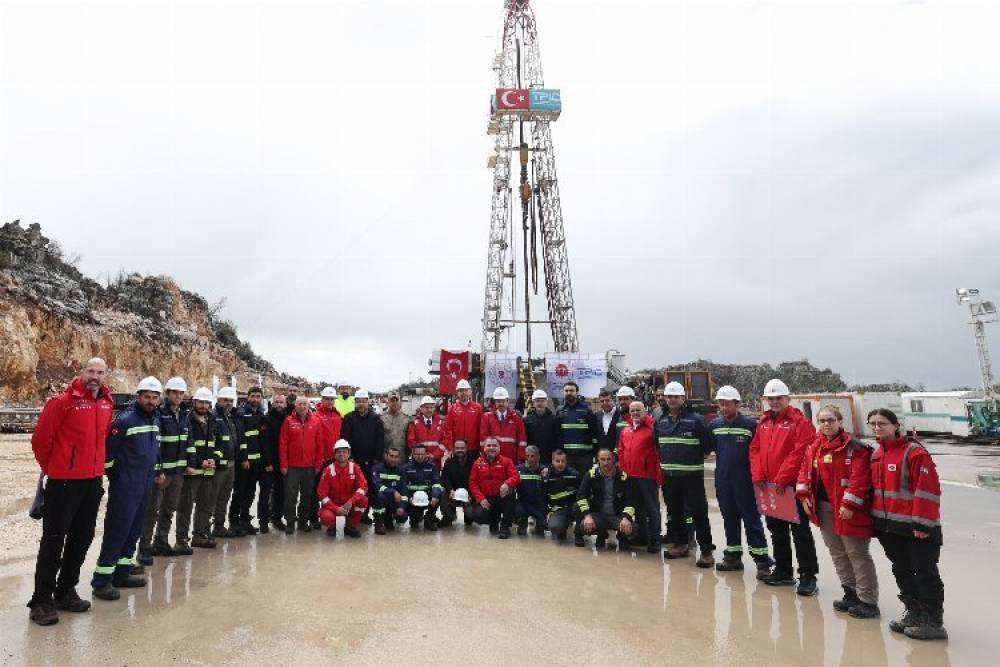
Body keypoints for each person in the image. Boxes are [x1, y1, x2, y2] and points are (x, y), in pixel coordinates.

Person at [27, 358, 115, 625]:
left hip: (92, 482)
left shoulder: (106, 403)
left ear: (105, 376)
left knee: (82, 538)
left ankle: (65, 591)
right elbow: (41, 441)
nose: (95, 376)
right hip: (63, 483)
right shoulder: (62, 402)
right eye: (91, 371)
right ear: (81, 372)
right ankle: (41, 602)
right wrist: (56, 468)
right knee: (53, 542)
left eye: (100, 373)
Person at [868, 408, 947, 640]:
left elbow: (928, 490)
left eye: (882, 423)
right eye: (872, 423)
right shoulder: (876, 455)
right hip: (889, 528)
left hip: (917, 528)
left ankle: (933, 621)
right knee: (901, 571)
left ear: (896, 426)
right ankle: (913, 613)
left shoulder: (915, 453)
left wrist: (923, 525)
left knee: (925, 573)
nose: (877, 428)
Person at [797, 405, 879, 619]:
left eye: (830, 420)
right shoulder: (814, 447)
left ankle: (868, 601)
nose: (826, 424)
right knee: (838, 553)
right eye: (822, 420)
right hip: (824, 509)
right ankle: (850, 593)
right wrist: (804, 497)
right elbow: (804, 473)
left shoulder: (855, 448)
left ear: (840, 422)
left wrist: (849, 504)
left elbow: (860, 479)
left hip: (848, 510)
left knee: (857, 553)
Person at [91, 377, 163, 601]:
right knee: (117, 530)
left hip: (145, 484)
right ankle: (102, 581)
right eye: (147, 397)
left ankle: (122, 573)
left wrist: (157, 471)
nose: (150, 401)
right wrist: (118, 479)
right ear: (138, 397)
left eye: (154, 398)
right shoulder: (125, 420)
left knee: (134, 530)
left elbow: (154, 450)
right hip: (126, 486)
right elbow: (108, 456)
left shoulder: (155, 420)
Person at [750, 378, 819, 595]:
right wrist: (759, 475)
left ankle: (808, 576)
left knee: (800, 533)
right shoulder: (764, 422)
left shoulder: (800, 422)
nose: (774, 402)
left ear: (787, 398)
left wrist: (781, 479)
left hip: (790, 487)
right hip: (771, 487)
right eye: (770, 398)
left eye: (778, 398)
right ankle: (783, 571)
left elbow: (800, 453)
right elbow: (756, 450)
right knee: (776, 530)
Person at [709, 386, 772, 576]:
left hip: (746, 480)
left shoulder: (751, 425)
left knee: (751, 519)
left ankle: (762, 562)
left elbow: (761, 452)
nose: (724, 407)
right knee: (729, 518)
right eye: (721, 403)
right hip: (723, 480)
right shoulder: (715, 426)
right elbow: (712, 450)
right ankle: (733, 556)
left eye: (728, 404)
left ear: (737, 404)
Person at [655, 382, 715, 566]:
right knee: (675, 512)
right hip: (670, 477)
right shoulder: (661, 422)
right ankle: (681, 544)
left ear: (683, 398)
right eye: (669, 396)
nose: (672, 400)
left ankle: (706, 551)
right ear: (665, 398)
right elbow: (658, 446)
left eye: (676, 396)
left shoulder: (696, 420)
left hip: (692, 477)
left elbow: (707, 446)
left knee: (699, 513)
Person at [138, 376, 189, 565]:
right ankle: (144, 548)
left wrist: (185, 465)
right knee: (152, 511)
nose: (177, 396)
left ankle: (161, 542)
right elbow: (155, 444)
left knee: (169, 509)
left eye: (181, 393)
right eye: (174, 392)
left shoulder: (184, 414)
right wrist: (158, 470)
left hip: (177, 472)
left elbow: (186, 442)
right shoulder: (159, 413)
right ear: (167, 394)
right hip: (161, 474)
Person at [176, 387, 219, 550]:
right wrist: (198, 462)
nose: (203, 405)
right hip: (191, 472)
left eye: (206, 402)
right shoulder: (186, 419)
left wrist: (214, 459)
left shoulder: (212, 419)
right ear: (194, 402)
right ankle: (181, 539)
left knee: (204, 506)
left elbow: (218, 443)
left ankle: (199, 536)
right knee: (185, 507)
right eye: (200, 402)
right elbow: (185, 445)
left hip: (208, 471)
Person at [616, 401, 662, 553]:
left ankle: (655, 539)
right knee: (637, 509)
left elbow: (658, 452)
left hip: (647, 476)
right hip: (631, 476)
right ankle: (642, 537)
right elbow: (621, 450)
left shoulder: (652, 428)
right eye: (632, 410)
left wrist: (658, 475)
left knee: (652, 509)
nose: (635, 413)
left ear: (645, 411)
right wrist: (623, 469)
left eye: (638, 410)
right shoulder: (626, 430)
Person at [573, 448, 637, 549]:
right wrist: (587, 516)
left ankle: (622, 536)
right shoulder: (590, 475)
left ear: (613, 460)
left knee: (632, 529)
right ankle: (601, 534)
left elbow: (631, 500)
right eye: (602, 459)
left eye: (609, 459)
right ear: (597, 460)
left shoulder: (623, 477)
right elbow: (581, 497)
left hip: (617, 516)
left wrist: (626, 518)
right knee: (583, 525)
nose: (606, 462)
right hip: (598, 516)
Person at [340, 389, 385, 523]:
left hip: (371, 462)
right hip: (354, 461)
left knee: (370, 489)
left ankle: (364, 514)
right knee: (354, 489)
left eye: (363, 401)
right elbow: (345, 439)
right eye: (358, 401)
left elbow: (380, 439)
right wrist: (350, 458)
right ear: (355, 402)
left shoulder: (376, 418)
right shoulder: (349, 418)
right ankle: (352, 514)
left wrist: (377, 458)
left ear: (368, 402)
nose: (361, 404)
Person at [279, 396, 322, 534]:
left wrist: (317, 465)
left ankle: (303, 521)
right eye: (300, 404)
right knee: (291, 495)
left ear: (308, 406)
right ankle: (290, 522)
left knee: (307, 495)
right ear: (295, 406)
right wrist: (284, 464)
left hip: (309, 466)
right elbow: (283, 443)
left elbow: (319, 445)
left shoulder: (315, 421)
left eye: (305, 404)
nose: (302, 407)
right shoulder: (288, 421)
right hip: (292, 466)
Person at [469, 436, 520, 538]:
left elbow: (516, 476)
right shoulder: (477, 463)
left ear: (499, 448)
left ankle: (505, 527)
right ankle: (494, 521)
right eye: (489, 445)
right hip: (487, 499)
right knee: (477, 515)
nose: (491, 448)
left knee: (511, 494)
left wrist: (507, 484)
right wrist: (481, 499)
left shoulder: (507, 461)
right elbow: (472, 483)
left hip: (502, 497)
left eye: (494, 445)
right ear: (484, 448)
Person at [231, 386, 265, 536]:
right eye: (253, 396)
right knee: (239, 492)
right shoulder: (241, 413)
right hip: (244, 462)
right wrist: (244, 458)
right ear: (248, 397)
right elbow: (241, 437)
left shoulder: (260, 413)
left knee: (250, 492)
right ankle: (234, 522)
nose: (256, 399)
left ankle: (245, 520)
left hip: (256, 462)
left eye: (258, 396)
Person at [316, 440, 369, 538]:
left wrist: (351, 501)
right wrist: (336, 508)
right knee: (326, 517)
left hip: (349, 504)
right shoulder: (328, 470)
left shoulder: (355, 468)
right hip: (333, 505)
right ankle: (332, 527)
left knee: (363, 501)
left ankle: (350, 526)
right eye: (338, 452)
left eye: (344, 451)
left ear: (349, 454)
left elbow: (363, 487)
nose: (341, 454)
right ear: (334, 454)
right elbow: (322, 494)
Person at [211, 386, 240, 538]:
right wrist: (216, 459)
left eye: (230, 401)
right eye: (225, 400)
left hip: (230, 464)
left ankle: (219, 526)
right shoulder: (214, 416)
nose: (228, 403)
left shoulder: (229, 417)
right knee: (211, 498)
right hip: (219, 466)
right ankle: (203, 529)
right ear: (218, 400)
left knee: (224, 497)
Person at [556, 381, 598, 476]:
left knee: (584, 483)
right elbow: (558, 433)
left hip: (585, 456)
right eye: (566, 391)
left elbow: (594, 432)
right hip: (567, 456)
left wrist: (594, 452)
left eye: (571, 390)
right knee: (568, 483)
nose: (569, 393)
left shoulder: (587, 409)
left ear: (577, 392)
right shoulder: (560, 410)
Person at [259, 393, 288, 532]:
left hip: (282, 463)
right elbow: (264, 443)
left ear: (285, 404)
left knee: (280, 493)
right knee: (265, 493)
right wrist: (267, 462)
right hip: (268, 463)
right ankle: (263, 522)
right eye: (277, 402)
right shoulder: (266, 419)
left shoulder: (288, 420)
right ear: (273, 403)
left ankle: (277, 518)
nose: (279, 405)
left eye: (281, 402)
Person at [480, 387, 527, 463]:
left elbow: (522, 440)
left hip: (511, 459)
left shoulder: (516, 418)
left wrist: (521, 458)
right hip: (493, 459)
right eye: (498, 401)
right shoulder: (487, 417)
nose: (501, 403)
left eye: (503, 401)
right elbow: (483, 440)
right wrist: (485, 458)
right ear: (495, 402)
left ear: (507, 401)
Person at [403, 443, 444, 530]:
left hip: (428, 497)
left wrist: (435, 495)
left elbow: (437, 483)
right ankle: (415, 518)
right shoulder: (406, 468)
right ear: (413, 454)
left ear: (426, 454)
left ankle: (429, 519)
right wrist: (409, 498)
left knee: (441, 493)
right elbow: (403, 486)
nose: (420, 456)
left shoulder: (432, 467)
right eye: (417, 454)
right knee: (414, 523)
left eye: (422, 454)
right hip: (412, 499)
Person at [542, 449, 580, 541]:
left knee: (580, 509)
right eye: (557, 461)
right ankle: (562, 527)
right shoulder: (547, 475)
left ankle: (579, 534)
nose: (560, 464)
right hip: (558, 509)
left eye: (563, 461)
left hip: (572, 508)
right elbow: (543, 496)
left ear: (566, 461)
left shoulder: (574, 474)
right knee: (555, 527)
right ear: (552, 461)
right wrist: (547, 511)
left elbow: (582, 494)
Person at [370, 446, 409, 534]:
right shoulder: (377, 468)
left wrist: (402, 507)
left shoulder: (401, 470)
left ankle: (388, 518)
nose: (393, 459)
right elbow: (377, 485)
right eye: (391, 456)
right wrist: (393, 491)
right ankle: (378, 523)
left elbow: (404, 490)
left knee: (403, 517)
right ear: (386, 456)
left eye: (396, 457)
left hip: (393, 500)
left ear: (399, 458)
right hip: (378, 499)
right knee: (380, 496)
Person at [442, 379, 484, 459]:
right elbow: (448, 430)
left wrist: (481, 448)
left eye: (466, 390)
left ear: (470, 392)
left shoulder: (477, 408)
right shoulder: (452, 409)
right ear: (457, 393)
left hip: (473, 448)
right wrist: (451, 448)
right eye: (461, 391)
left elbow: (481, 429)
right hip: (458, 448)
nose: (463, 393)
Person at [440, 440, 475, 527]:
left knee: (470, 518)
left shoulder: (473, 463)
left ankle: (469, 516)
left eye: (462, 448)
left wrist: (470, 494)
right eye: (457, 448)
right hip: (453, 493)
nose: (460, 450)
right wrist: (450, 489)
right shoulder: (449, 462)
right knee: (442, 492)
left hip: (468, 495)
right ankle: (449, 516)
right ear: (454, 449)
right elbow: (444, 478)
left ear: (466, 449)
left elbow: (476, 481)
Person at [515, 446, 547, 536]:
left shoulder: (544, 470)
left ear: (538, 457)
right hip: (523, 503)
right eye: (527, 456)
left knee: (540, 531)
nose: (529, 459)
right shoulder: (518, 469)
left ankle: (539, 525)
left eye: (532, 456)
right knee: (521, 533)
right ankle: (522, 524)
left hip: (538, 504)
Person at [407, 396, 447, 467]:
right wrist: (422, 455)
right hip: (419, 462)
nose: (429, 410)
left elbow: (444, 442)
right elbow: (411, 442)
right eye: (426, 407)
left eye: (431, 407)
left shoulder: (440, 423)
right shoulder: (414, 423)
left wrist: (434, 455)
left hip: (435, 462)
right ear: (421, 408)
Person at [524, 389, 559, 465]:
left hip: (549, 457)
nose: (540, 403)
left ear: (546, 402)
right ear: (533, 403)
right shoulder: (527, 420)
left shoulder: (554, 419)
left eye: (542, 401)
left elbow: (558, 438)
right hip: (532, 457)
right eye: (537, 401)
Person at [314, 386, 344, 466]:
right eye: (327, 399)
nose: (329, 401)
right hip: (322, 458)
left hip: (337, 456)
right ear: (322, 399)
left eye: (332, 399)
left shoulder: (338, 415)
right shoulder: (316, 416)